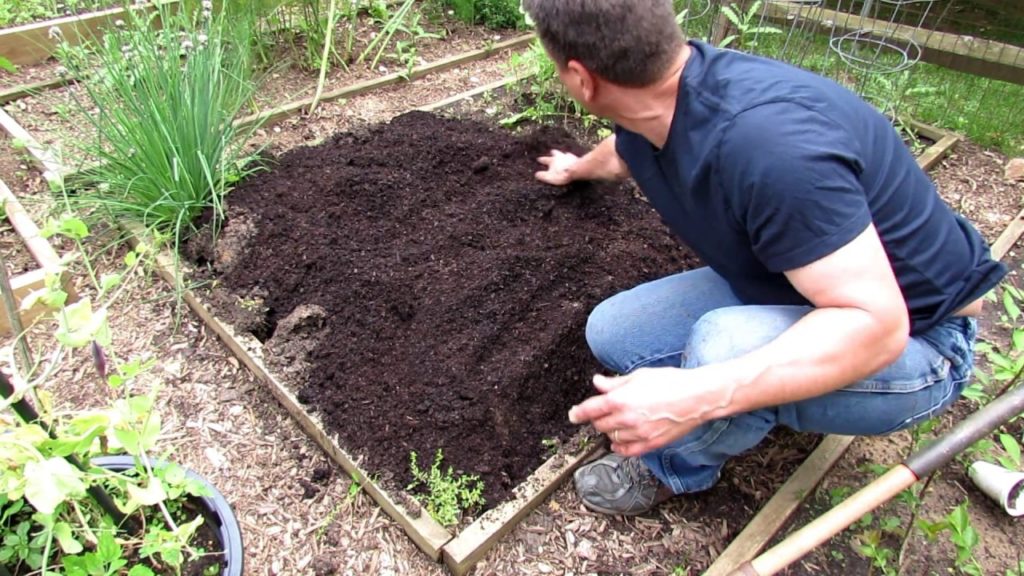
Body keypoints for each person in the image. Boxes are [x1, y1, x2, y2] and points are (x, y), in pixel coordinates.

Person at [519, 0, 1008, 516]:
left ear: (581, 78)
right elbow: (623, 149)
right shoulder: (662, 98)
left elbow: (879, 327)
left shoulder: (773, 152)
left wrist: (692, 397)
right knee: (615, 332)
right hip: (802, 289)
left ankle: (677, 465)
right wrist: (576, 169)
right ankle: (770, 385)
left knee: (721, 350)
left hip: (921, 339)